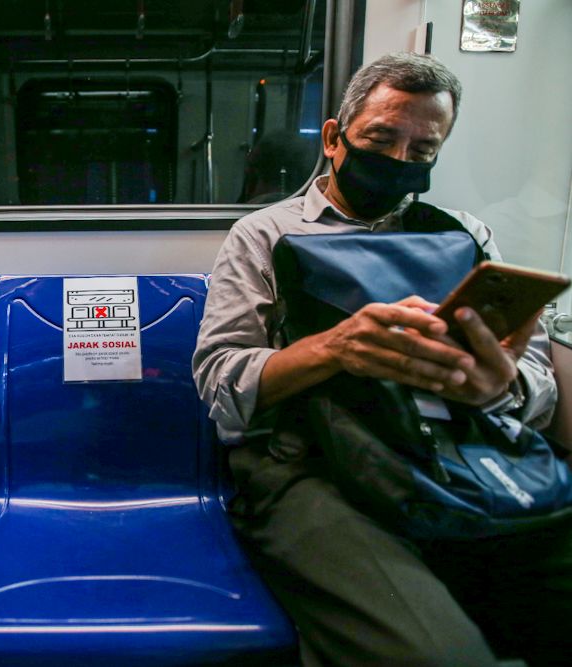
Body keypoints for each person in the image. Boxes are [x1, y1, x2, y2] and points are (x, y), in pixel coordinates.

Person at [193, 53, 572, 667]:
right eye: (381, 139)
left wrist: (498, 389)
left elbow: (534, 382)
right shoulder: (265, 234)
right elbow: (221, 385)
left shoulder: (463, 235)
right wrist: (335, 348)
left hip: (461, 451)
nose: (399, 162)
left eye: (422, 152)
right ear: (335, 138)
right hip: (312, 464)